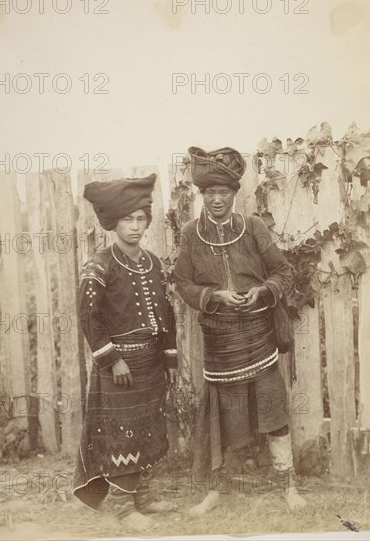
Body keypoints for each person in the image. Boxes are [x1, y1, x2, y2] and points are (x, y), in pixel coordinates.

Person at [173, 147, 306, 516]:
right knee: (223, 418)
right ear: (202, 196)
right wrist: (214, 296)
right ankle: (217, 489)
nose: (216, 200)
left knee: (273, 411)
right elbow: (182, 283)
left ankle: (288, 483)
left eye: (224, 193)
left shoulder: (254, 228)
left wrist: (262, 292)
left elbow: (283, 272)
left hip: (260, 338)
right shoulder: (191, 234)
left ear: (235, 194)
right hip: (220, 342)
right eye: (210, 193)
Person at [73, 173, 178, 531]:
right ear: (113, 223)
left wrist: (169, 358)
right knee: (122, 431)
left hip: (150, 361)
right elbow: (89, 316)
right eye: (127, 220)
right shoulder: (99, 265)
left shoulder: (154, 263)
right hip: (119, 364)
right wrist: (112, 359)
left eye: (140, 219)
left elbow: (167, 312)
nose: (135, 227)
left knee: (149, 425)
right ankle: (121, 504)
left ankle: (143, 496)